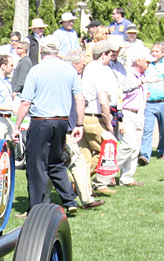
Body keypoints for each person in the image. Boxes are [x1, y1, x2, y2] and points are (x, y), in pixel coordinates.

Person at [14, 38, 84, 215]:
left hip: (41, 121)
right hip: (62, 121)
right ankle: (69, 200)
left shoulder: (36, 70)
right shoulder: (69, 69)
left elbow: (25, 102)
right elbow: (80, 98)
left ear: (41, 51)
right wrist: (79, 124)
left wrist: (16, 126)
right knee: (56, 162)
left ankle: (35, 208)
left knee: (36, 165)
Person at [63, 50, 103, 211]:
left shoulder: (66, 77)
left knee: (58, 164)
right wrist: (76, 125)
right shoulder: (70, 78)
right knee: (76, 162)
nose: (83, 68)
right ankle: (85, 199)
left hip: (61, 126)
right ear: (74, 64)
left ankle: (42, 201)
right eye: (82, 65)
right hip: (64, 127)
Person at [80, 42, 121, 196]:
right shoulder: (101, 70)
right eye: (110, 55)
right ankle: (77, 180)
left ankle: (83, 187)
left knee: (85, 155)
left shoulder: (88, 68)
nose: (111, 58)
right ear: (103, 54)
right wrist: (108, 121)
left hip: (84, 115)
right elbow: (103, 100)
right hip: (95, 117)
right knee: (105, 152)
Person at [116, 46, 149, 186]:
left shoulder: (143, 75)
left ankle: (127, 177)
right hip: (127, 111)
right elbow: (121, 91)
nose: (149, 63)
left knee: (135, 147)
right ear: (138, 61)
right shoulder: (127, 74)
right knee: (128, 145)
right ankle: (107, 171)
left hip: (139, 112)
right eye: (146, 60)